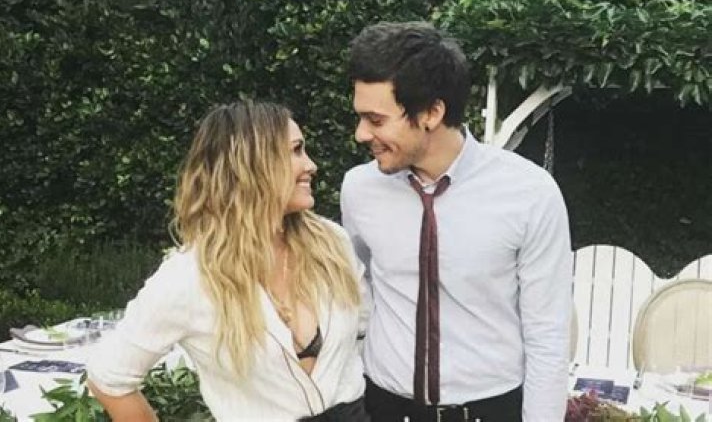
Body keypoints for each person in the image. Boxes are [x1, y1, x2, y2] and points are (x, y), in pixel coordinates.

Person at [341, 22, 572, 422]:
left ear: (432, 112)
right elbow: (361, 288)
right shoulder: (360, 189)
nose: (361, 134)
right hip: (384, 408)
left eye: (375, 120)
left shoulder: (530, 193)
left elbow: (547, 335)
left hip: (490, 411)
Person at [87, 102, 369, 421]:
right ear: (250, 165)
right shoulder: (190, 277)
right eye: (296, 151)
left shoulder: (332, 244)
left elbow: (364, 331)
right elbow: (108, 377)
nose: (311, 165)